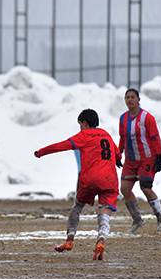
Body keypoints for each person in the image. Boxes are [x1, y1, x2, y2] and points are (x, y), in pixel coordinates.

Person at [34, 109, 119, 261]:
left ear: (84, 123)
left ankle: (69, 240)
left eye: (80, 125)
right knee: (104, 211)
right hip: (110, 179)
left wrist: (41, 152)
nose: (80, 128)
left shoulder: (83, 136)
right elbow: (117, 152)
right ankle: (101, 239)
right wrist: (118, 160)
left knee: (77, 206)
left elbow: (62, 145)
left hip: (90, 178)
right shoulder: (106, 134)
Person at [116, 88, 161, 234]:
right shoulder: (123, 119)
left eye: (132, 97)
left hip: (146, 159)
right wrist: (119, 154)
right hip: (130, 161)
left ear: (138, 100)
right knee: (124, 189)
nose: (130, 100)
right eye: (127, 97)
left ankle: (160, 217)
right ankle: (137, 220)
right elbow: (123, 138)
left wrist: (159, 156)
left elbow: (155, 137)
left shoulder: (147, 118)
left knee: (145, 187)